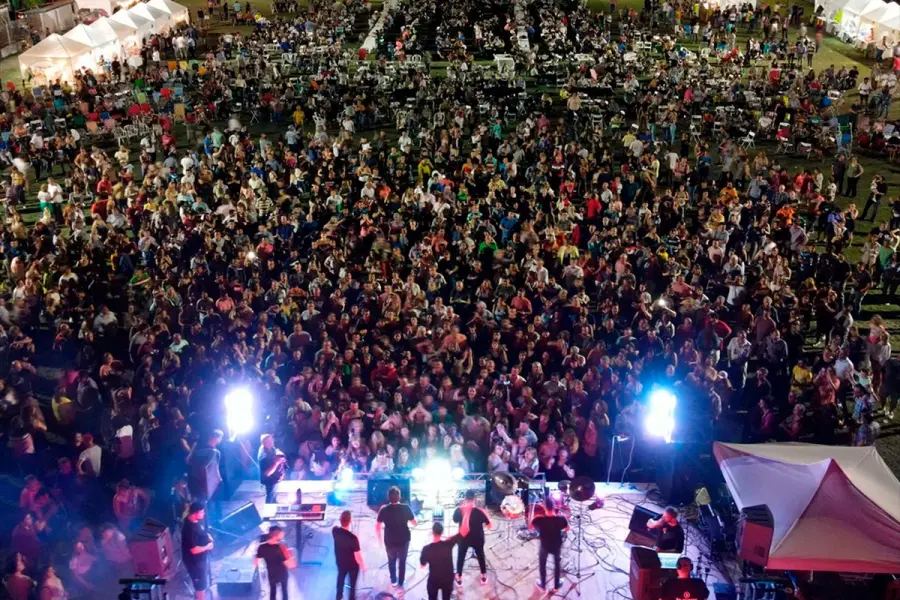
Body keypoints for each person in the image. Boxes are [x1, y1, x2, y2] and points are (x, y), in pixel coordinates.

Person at [375, 486, 417, 589]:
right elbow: (414, 523)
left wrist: (379, 541)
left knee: (391, 561)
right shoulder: (406, 508)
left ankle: (393, 581)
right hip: (404, 540)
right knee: (402, 561)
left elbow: (377, 526)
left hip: (389, 540)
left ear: (388, 497)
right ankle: (401, 582)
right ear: (399, 497)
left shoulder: (383, 509)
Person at [453, 489, 492, 586]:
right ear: (474, 499)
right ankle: (483, 576)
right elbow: (489, 525)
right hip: (477, 538)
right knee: (480, 555)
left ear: (465, 499)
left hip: (463, 538)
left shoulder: (459, 510)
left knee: (461, 556)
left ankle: (459, 577)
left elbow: (455, 520)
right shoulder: (480, 511)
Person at [530, 497, 569, 592]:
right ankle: (556, 585)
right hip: (556, 545)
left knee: (542, 564)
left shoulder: (539, 520)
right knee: (557, 564)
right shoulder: (561, 519)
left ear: (544, 507)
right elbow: (567, 529)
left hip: (544, 545)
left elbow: (531, 527)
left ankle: (543, 585)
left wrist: (534, 517)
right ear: (554, 506)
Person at [182, 501, 215, 600]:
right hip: (195, 563)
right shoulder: (189, 530)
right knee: (200, 587)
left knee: (203, 583)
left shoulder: (195, 521)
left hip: (201, 560)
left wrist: (208, 536)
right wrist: (207, 547)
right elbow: (194, 550)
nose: (204, 514)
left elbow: (201, 532)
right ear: (195, 513)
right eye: (202, 512)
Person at [420, 522, 461, 600]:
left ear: (432, 532)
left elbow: (422, 565)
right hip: (448, 579)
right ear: (442, 532)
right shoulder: (448, 544)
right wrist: (451, 537)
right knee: (446, 597)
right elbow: (462, 532)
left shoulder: (426, 549)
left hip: (434, 579)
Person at [254, 526, 295, 600]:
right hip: (282, 574)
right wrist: (291, 555)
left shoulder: (262, 547)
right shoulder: (281, 547)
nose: (283, 534)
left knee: (273, 592)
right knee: (284, 592)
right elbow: (290, 565)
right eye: (281, 534)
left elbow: (256, 562)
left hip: (271, 574)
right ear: (275, 535)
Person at [333, 510, 365, 600]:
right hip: (352, 565)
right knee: (352, 584)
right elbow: (357, 556)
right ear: (350, 521)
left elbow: (336, 527)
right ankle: (352, 598)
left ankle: (339, 596)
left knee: (341, 577)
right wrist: (363, 566)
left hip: (340, 562)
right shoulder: (353, 538)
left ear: (340, 520)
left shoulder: (335, 531)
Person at [258, 433, 288, 503]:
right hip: (270, 481)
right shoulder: (264, 456)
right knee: (270, 497)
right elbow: (267, 473)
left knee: (274, 495)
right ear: (263, 443)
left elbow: (276, 450)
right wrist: (276, 463)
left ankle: (274, 503)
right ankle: (269, 508)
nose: (272, 442)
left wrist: (280, 455)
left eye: (272, 440)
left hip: (275, 478)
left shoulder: (270, 448)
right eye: (269, 441)